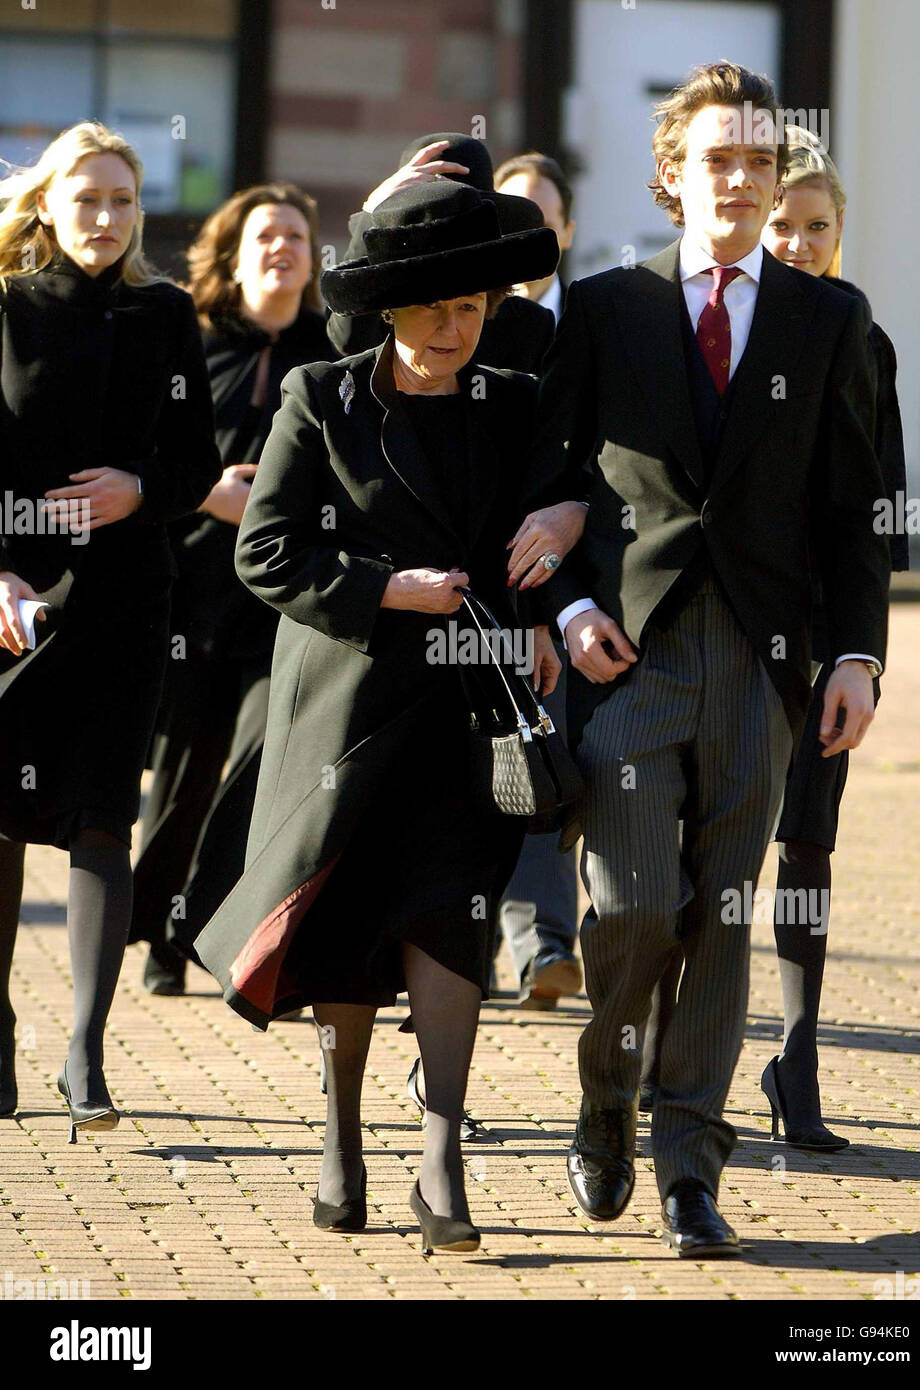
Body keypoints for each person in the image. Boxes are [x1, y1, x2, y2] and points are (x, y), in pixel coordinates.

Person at [527, 62, 890, 1257]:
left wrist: (856, 657)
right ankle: (603, 1106)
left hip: (765, 663)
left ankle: (691, 1161)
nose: (741, 179)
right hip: (629, 654)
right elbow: (552, 490)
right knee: (631, 907)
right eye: (718, 158)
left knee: (723, 915)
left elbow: (853, 513)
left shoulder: (830, 319)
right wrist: (573, 613)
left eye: (760, 160)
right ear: (672, 173)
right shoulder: (605, 308)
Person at [194, 179, 566, 1253]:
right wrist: (386, 588)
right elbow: (264, 552)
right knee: (349, 935)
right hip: (348, 716)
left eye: (475, 308)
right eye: (437, 308)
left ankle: (441, 1161)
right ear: (393, 306)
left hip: (470, 712)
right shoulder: (323, 394)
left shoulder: (513, 400)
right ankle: (342, 1134)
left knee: (451, 920)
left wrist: (546, 597)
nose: (459, 329)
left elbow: (556, 521)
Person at [640, 128, 910, 1145]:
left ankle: (796, 1063)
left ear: (841, 233)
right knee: (698, 852)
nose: (797, 242)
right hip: (714, 632)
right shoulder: (687, 317)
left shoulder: (856, 336)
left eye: (817, 226)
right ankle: (669, 1059)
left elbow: (873, 512)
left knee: (806, 845)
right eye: (784, 224)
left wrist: (862, 651)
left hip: (815, 637)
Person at [0, 122, 220, 1135]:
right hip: (13, 602)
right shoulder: (6, 308)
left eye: (123, 201)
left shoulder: (166, 312)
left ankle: (84, 1051)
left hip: (131, 599)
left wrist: (142, 490)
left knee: (102, 819)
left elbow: (194, 465)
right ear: (47, 203)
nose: (105, 218)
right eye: (87, 198)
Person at [129, 183, 334, 996]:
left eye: (296, 236)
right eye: (266, 237)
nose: (282, 248)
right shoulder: (193, 339)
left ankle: (204, 920)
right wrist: (207, 493)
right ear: (235, 252)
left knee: (258, 763)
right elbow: (147, 454)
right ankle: (156, 931)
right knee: (183, 772)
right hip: (192, 597)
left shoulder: (327, 347)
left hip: (285, 605)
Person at [489, 152, 582, 1009]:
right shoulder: (461, 326)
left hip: (590, 594)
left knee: (554, 764)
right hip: (486, 591)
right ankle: (528, 946)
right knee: (513, 760)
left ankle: (545, 944)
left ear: (568, 231)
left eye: (540, 217)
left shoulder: (598, 325)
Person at [326, 133, 555, 373]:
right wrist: (373, 213)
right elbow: (349, 338)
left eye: (467, 307)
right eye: (430, 304)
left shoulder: (530, 325)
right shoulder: (393, 302)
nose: (449, 327)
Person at [494, 151, 576, 323]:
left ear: (568, 234)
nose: (528, 240)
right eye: (514, 225)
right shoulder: (463, 325)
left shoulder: (594, 322)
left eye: (544, 229)